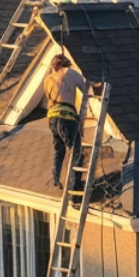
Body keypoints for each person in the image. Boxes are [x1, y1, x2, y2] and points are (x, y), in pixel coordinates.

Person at [44, 53, 88, 187]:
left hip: (52, 117)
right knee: (76, 151)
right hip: (66, 118)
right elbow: (87, 89)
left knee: (59, 150)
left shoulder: (48, 78)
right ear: (66, 64)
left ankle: (56, 180)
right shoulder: (70, 72)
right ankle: (76, 184)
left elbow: (49, 98)